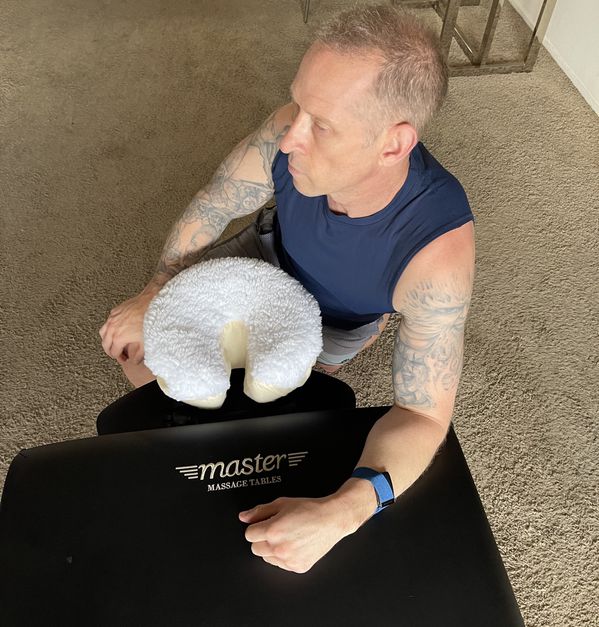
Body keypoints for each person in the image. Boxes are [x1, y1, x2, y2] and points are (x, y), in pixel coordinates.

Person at [99, 5, 475, 574]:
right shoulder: (285, 133)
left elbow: (423, 416)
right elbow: (215, 204)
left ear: (393, 145)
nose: (290, 134)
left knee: (286, 411)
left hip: (334, 318)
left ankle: (352, 340)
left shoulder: (437, 257)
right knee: (135, 344)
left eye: (321, 124)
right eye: (298, 104)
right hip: (264, 256)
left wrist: (345, 511)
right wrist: (158, 287)